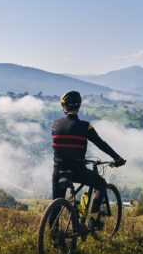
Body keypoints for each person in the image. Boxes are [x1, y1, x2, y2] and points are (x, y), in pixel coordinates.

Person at [51, 90, 126, 229]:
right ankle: (93, 220)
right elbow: (101, 144)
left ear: (64, 107)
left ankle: (54, 235)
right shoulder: (86, 126)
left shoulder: (55, 124)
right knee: (102, 184)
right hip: (77, 171)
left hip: (58, 171)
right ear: (79, 106)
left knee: (56, 204)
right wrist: (117, 158)